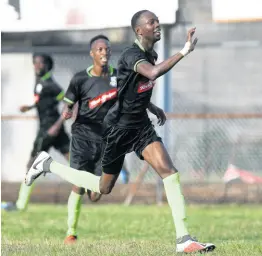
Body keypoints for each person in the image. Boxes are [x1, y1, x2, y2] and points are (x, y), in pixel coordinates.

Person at [25, 10, 215, 253]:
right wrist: (184, 50)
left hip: (141, 127)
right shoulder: (131, 55)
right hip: (119, 129)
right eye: (152, 22)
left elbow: (130, 90)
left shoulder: (150, 53)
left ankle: (184, 239)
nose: (157, 25)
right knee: (103, 188)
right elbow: (153, 73)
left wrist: (152, 107)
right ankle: (47, 164)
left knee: (169, 172)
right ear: (139, 30)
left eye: (157, 20)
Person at [62, 35, 166, 244]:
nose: (104, 52)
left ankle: (89, 181)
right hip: (83, 137)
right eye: (99, 49)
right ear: (92, 53)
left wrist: (152, 107)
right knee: (77, 185)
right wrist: (67, 110)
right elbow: (68, 103)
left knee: (99, 192)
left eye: (107, 49)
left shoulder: (118, 76)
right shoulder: (80, 79)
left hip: (108, 137)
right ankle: (70, 233)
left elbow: (131, 97)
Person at [2, 53, 70, 212]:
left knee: (32, 165)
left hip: (49, 130)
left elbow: (68, 103)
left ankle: (20, 204)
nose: (36, 66)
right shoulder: (39, 81)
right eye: (34, 63)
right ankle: (89, 187)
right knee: (73, 161)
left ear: (47, 65)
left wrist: (57, 125)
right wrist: (30, 107)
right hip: (48, 128)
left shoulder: (51, 84)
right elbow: (44, 101)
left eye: (39, 63)